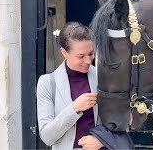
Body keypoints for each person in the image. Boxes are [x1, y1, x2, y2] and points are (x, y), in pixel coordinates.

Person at [37, 22, 103, 150]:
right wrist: (74, 108)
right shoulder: (48, 83)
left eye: (90, 54)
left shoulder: (102, 77)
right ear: (64, 52)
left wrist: (103, 140)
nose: (88, 61)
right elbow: (47, 136)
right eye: (80, 56)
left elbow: (119, 123)